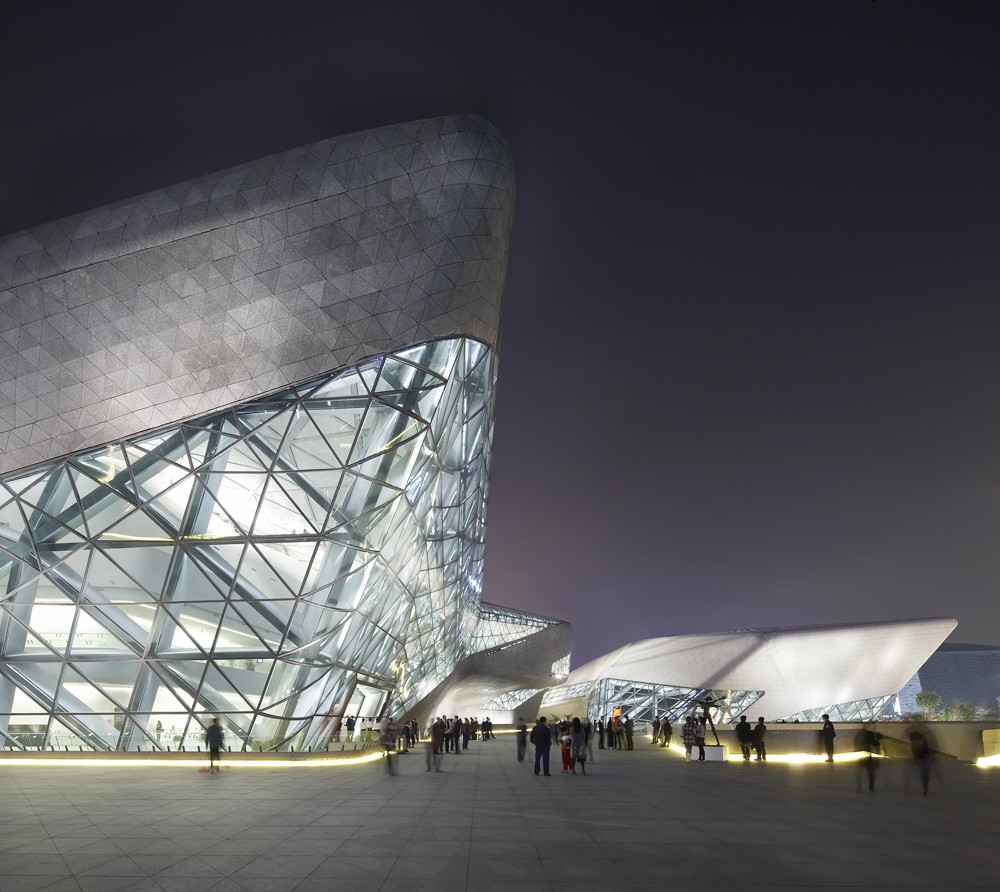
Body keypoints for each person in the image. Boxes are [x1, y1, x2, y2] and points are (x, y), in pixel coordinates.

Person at [855, 722, 881, 791]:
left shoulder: (859, 733)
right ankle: (871, 784)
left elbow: (855, 742)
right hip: (867, 754)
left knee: (859, 770)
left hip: (860, 754)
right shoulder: (869, 733)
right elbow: (875, 743)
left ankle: (859, 786)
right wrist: (878, 752)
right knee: (870, 770)